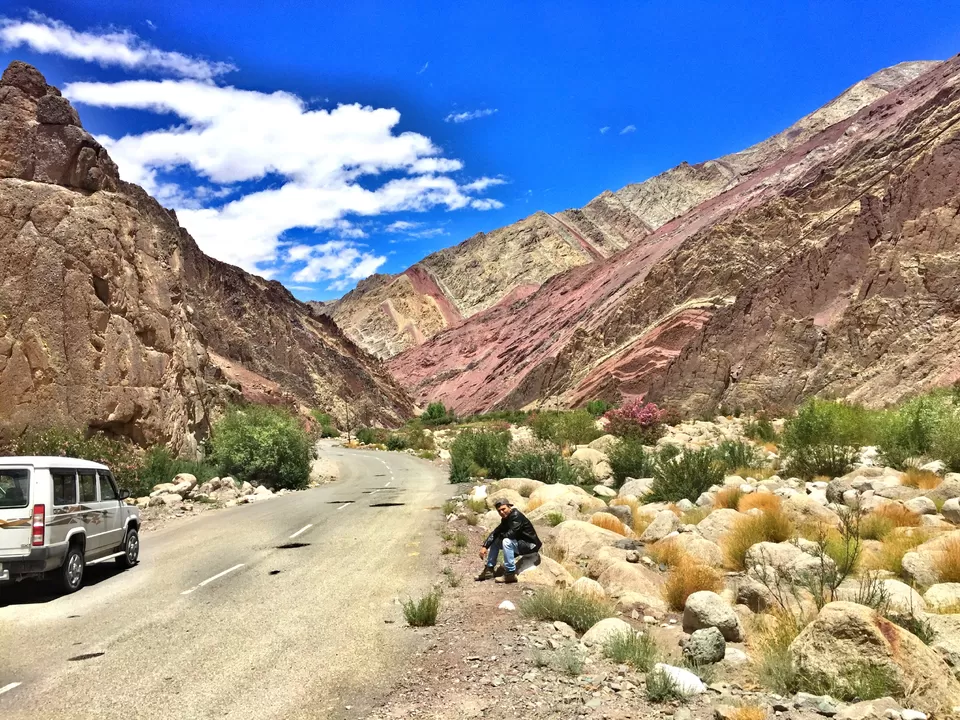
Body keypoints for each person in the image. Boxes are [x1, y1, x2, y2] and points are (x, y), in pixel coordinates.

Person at [476, 499, 542, 584]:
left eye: (503, 509)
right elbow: (496, 532)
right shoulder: (506, 518)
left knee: (506, 541)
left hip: (530, 545)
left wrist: (499, 536)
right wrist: (485, 546)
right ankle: (489, 569)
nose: (502, 512)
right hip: (521, 543)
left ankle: (510, 574)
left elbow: (511, 534)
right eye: (499, 511)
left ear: (509, 507)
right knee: (496, 540)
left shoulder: (516, 516)